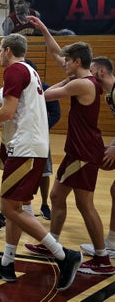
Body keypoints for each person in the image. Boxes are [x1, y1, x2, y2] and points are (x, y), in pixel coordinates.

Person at [0, 33, 82, 291]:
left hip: (25, 147)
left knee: (10, 208)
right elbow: (6, 106)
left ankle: (64, 255)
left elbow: (7, 112)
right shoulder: (29, 70)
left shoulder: (16, 70)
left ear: (7, 50)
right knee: (13, 207)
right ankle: (7, 262)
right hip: (31, 146)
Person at [24, 16, 115, 275]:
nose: (62, 63)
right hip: (77, 150)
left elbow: (43, 96)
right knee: (56, 196)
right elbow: (55, 52)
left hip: (85, 152)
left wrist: (23, 79)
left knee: (85, 204)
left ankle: (101, 258)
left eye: (68, 61)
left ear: (77, 62)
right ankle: (52, 244)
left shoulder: (83, 84)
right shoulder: (81, 78)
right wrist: (43, 28)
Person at [0, 59, 61, 237]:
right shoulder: (9, 88)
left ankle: (1, 221)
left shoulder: (37, 89)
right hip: (10, 141)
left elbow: (12, 110)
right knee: (16, 192)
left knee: (18, 189)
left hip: (27, 142)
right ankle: (26, 222)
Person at [81, 56, 115, 258]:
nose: (89, 74)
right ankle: (111, 240)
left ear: (101, 71)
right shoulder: (108, 94)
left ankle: (111, 241)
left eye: (91, 70)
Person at [2, 0, 74, 36]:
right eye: (15, 3)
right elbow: (5, 41)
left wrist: (58, 33)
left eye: (20, 3)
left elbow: (41, 30)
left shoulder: (35, 14)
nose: (16, 6)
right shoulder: (10, 20)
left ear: (28, 4)